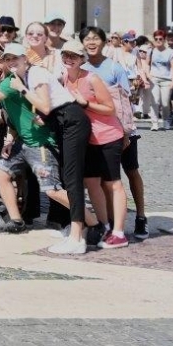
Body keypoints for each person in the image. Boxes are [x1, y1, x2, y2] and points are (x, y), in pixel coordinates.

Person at [0, 43, 98, 254]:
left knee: (52, 190)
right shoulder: (11, 82)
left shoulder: (23, 80)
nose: (1, 65)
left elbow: (39, 105)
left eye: (6, 60)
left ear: (24, 59)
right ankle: (17, 221)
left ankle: (92, 221)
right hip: (23, 142)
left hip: (41, 143)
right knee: (0, 172)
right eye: (2, 61)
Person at [81, 27, 148, 241]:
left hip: (123, 129)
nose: (91, 42)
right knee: (105, 180)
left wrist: (126, 132)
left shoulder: (114, 68)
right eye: (87, 39)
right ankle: (110, 221)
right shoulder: (81, 68)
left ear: (104, 42)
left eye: (95, 38)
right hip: (98, 133)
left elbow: (125, 101)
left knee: (131, 171)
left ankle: (140, 216)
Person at [60, 39, 128, 248]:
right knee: (91, 183)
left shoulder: (92, 79)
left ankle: (119, 233)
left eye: (73, 56)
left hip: (107, 135)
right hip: (86, 138)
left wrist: (86, 103)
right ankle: (104, 225)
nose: (68, 59)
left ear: (82, 59)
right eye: (65, 55)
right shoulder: (64, 77)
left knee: (112, 183)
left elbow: (110, 109)